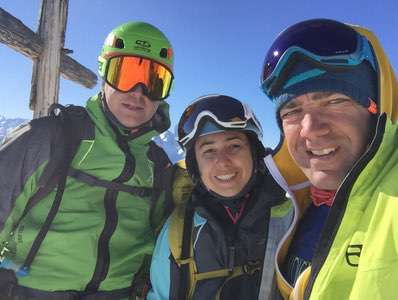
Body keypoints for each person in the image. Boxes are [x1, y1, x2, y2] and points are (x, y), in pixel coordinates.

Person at [0, 21, 176, 299]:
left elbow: (164, 241)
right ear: (105, 73)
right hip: (31, 291)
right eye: (126, 74)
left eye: (155, 82)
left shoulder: (159, 165)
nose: (139, 92)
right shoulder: (48, 138)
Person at [260, 18, 398, 299]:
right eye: (291, 111)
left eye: (335, 101)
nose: (310, 129)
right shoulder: (292, 203)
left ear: (376, 110)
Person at [147, 94, 292, 300]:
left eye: (234, 146)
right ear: (195, 165)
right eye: (209, 151)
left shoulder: (291, 219)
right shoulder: (178, 232)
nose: (223, 162)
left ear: (254, 153)